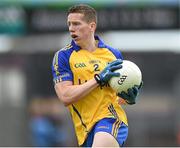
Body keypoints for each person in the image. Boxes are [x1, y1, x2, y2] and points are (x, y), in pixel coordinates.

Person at [51, 4, 142, 147]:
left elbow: (114, 96)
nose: (71, 28)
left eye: (76, 24)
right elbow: (65, 96)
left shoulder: (113, 54)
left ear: (91, 26)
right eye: (69, 24)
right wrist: (98, 79)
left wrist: (128, 98)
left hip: (111, 119)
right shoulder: (63, 56)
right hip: (85, 129)